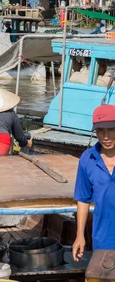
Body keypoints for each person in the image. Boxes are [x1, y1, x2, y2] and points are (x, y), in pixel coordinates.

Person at [73, 104, 115, 273]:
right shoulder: (87, 159)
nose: (106, 136)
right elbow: (83, 199)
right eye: (100, 131)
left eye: (111, 130)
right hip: (103, 237)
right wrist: (79, 235)